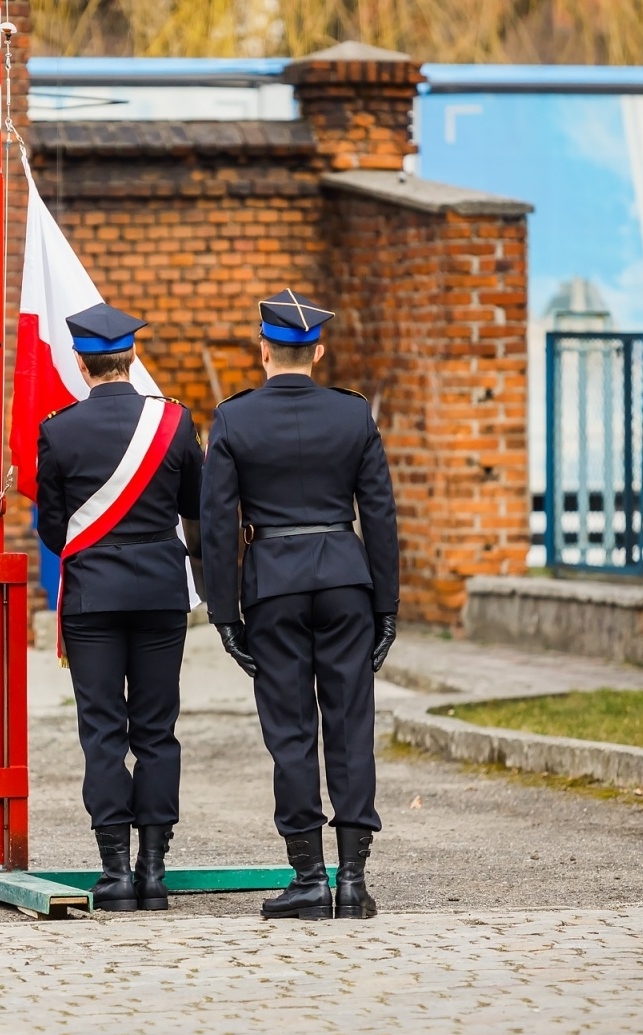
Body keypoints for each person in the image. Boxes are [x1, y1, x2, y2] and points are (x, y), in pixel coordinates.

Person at [200, 289, 400, 921]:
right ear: (318, 350)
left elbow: (216, 524)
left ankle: (309, 879)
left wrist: (224, 612)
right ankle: (354, 882)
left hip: (273, 587)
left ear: (263, 349)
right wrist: (387, 603)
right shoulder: (353, 416)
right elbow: (382, 515)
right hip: (346, 580)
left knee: (290, 731)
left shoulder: (234, 419)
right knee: (350, 727)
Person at [34, 302, 204, 912]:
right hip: (160, 592)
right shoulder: (175, 423)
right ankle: (153, 872)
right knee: (157, 731)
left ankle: (112, 876)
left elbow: (54, 532)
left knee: (103, 732)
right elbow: (196, 506)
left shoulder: (57, 430)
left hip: (92, 598)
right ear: (132, 358)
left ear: (80, 362)